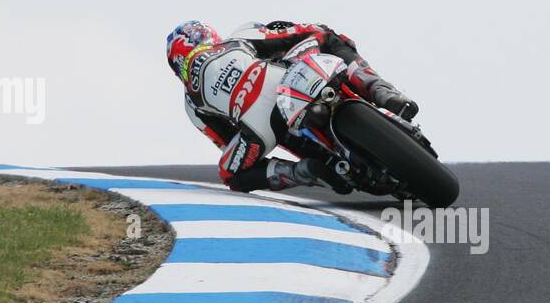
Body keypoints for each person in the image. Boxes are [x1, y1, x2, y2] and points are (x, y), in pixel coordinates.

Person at [165, 19, 419, 192]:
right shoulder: (238, 38)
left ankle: (303, 171)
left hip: (262, 127)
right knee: (327, 36)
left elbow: (225, 141)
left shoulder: (191, 104)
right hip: (287, 82)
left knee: (231, 174)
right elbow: (301, 33)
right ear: (208, 34)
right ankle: (382, 91)